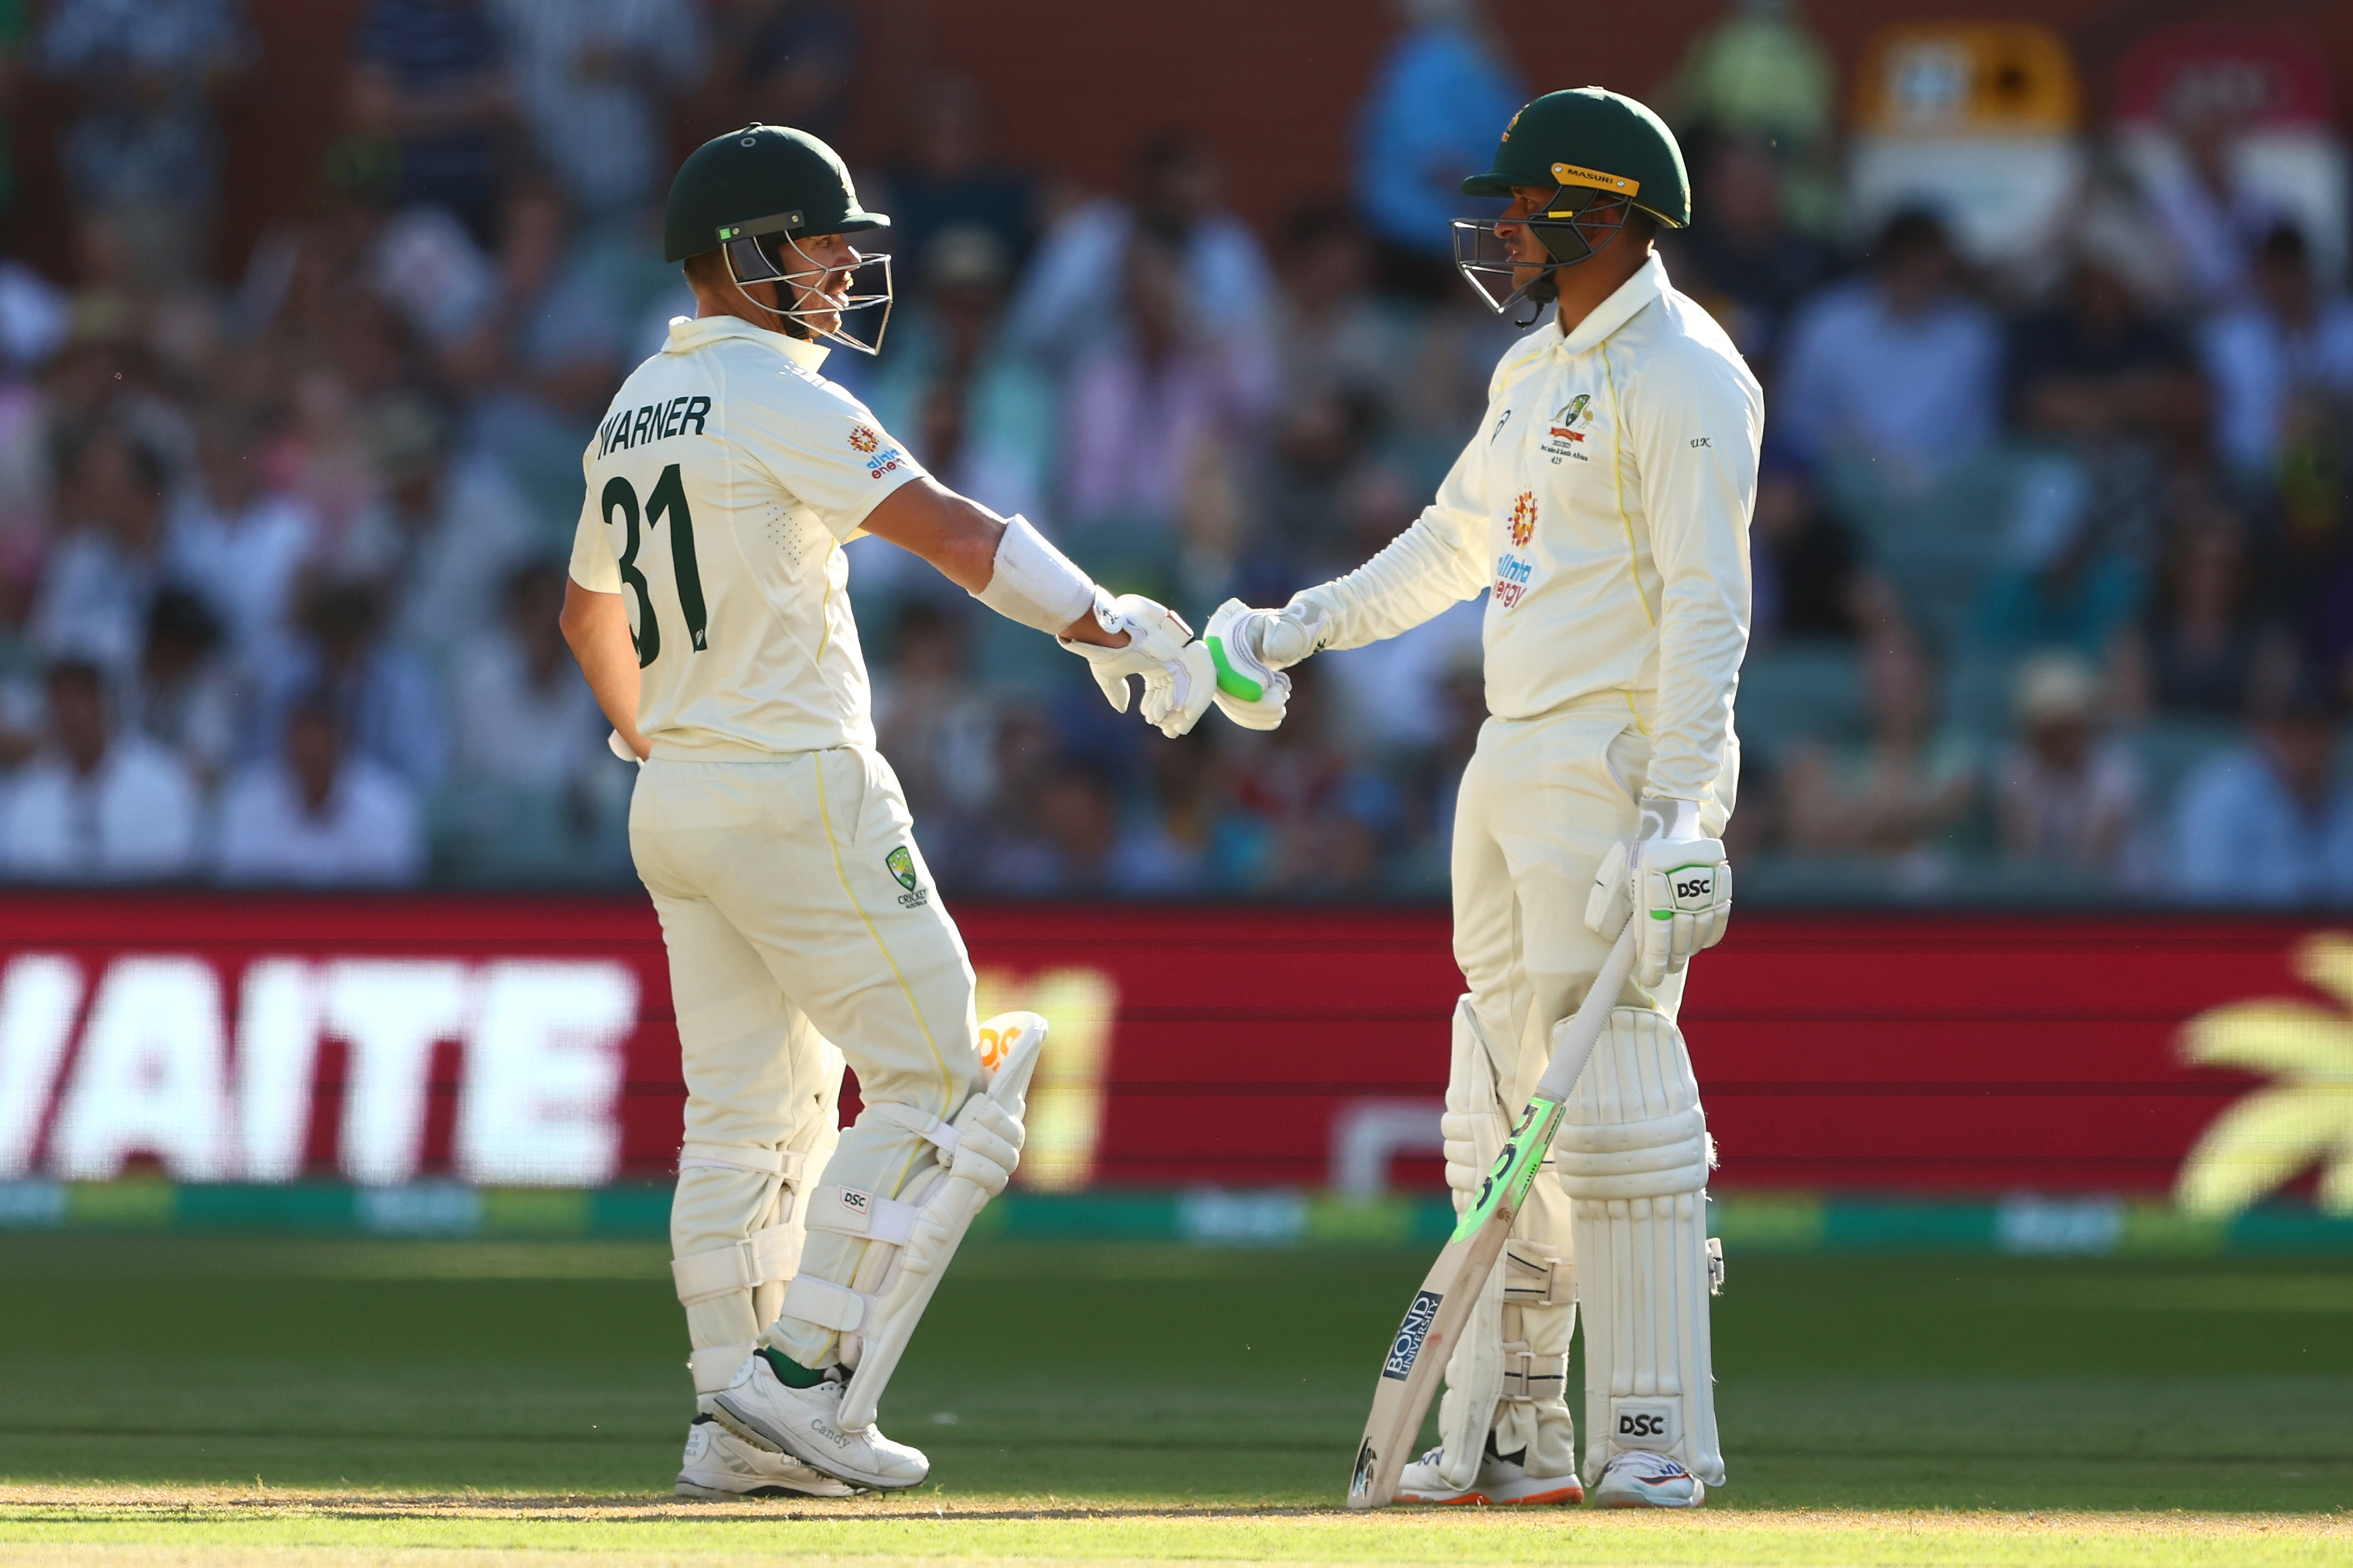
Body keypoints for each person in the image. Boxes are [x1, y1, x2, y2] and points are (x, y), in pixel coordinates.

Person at [558, 124, 1215, 1500]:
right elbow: (957, 533)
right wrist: (1105, 621)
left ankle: (727, 1422)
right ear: (743, 255)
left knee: (744, 1117)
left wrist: (654, 735)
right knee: (946, 1080)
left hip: (675, 792)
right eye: (819, 242)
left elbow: (583, 613)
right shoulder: (775, 392)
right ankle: (797, 1382)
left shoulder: (633, 402)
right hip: (794, 779)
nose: (844, 267)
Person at [1204, 88, 1753, 1508]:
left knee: (1613, 1087)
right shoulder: (1533, 370)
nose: (1505, 223)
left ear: (1608, 209)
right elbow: (1456, 542)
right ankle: (1519, 1434)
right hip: (1512, 753)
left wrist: (1684, 805)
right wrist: (1298, 623)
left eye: (1527, 200)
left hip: (1617, 761)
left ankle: (1651, 1429)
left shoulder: (1685, 373)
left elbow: (1708, 606)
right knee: (1500, 1102)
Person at [0, 658, 201, 882]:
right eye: (61, 703)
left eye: (82, 700)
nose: (72, 714)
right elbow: (24, 879)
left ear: (105, 705)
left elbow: (171, 875)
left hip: (138, 912)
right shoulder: (30, 791)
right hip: (58, 914)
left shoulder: (161, 782)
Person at [214, 695, 424, 886]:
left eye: (321, 754)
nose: (312, 755)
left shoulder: (388, 807)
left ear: (344, 748)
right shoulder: (247, 803)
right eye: (304, 753)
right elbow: (237, 897)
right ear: (284, 747)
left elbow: (395, 903)